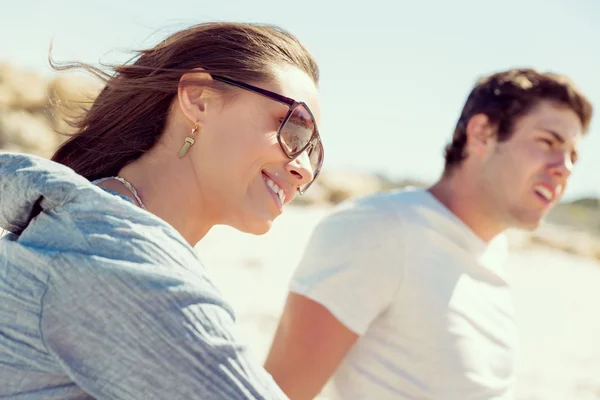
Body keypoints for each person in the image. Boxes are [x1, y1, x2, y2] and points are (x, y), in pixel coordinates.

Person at [0, 22, 323, 399]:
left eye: (314, 151)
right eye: (296, 129)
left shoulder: (89, 228)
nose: (305, 168)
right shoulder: (115, 254)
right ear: (199, 100)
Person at [264, 68, 593, 400]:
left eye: (573, 157)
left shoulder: (493, 253)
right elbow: (279, 393)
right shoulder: (378, 229)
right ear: (482, 133)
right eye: (548, 142)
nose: (564, 167)